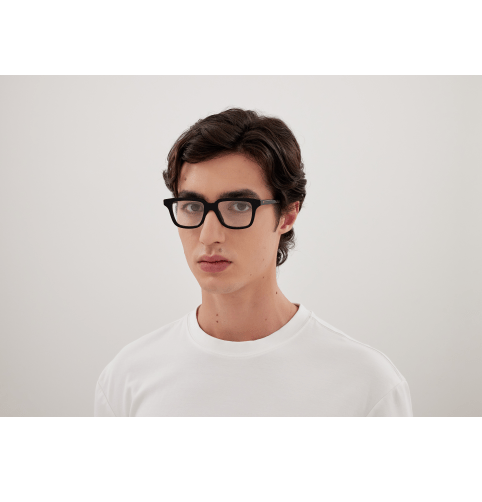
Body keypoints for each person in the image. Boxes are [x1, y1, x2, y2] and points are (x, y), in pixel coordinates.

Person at [94, 108, 413, 417]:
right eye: (192, 206)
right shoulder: (127, 378)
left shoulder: (367, 385)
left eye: (238, 206)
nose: (208, 236)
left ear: (287, 215)